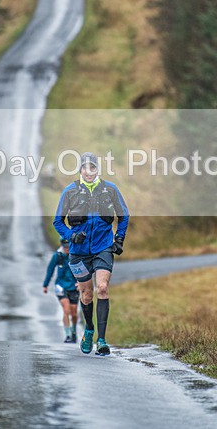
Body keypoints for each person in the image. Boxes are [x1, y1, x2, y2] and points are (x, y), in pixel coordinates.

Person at [53, 151, 129, 356]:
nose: (89, 171)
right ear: (80, 170)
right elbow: (57, 221)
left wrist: (119, 239)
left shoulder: (109, 189)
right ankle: (89, 329)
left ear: (97, 169)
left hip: (103, 247)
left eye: (93, 167)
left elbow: (124, 215)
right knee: (86, 295)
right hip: (78, 253)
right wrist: (70, 236)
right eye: (85, 168)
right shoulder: (70, 192)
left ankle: (102, 340)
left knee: (102, 288)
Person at [42, 237, 80, 343]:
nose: (67, 249)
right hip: (61, 286)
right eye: (65, 247)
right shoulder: (57, 256)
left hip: (74, 286)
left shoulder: (76, 254)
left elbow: (83, 269)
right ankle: (67, 335)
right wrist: (45, 285)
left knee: (74, 312)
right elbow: (50, 270)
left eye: (68, 247)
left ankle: (73, 331)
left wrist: (81, 282)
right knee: (66, 309)